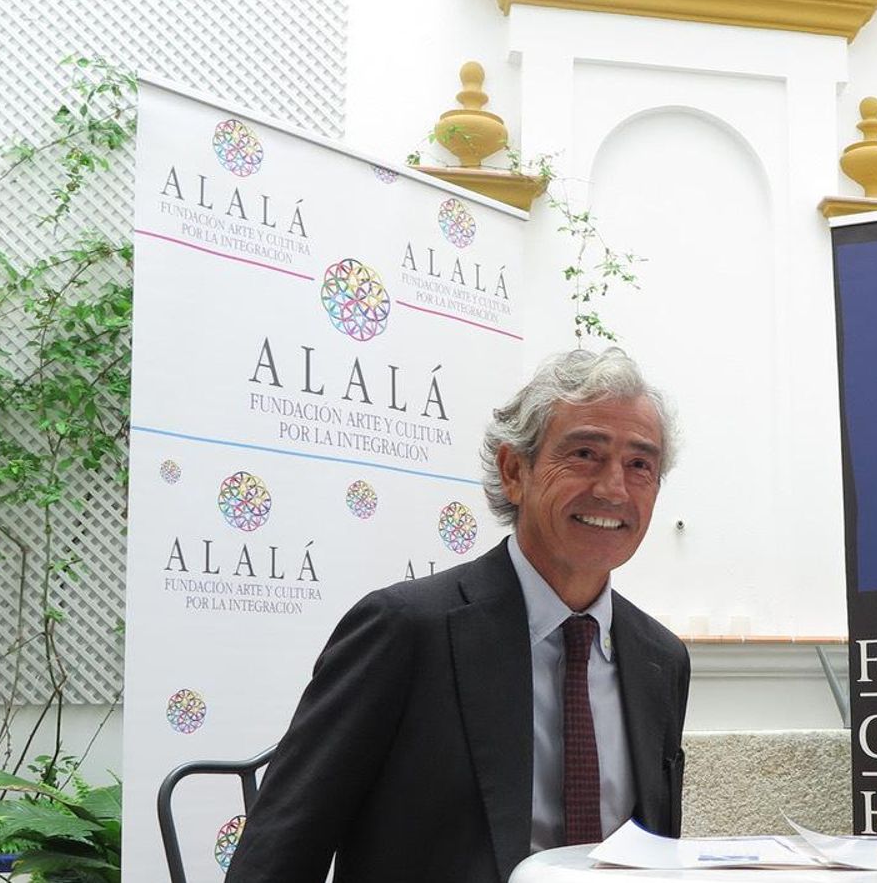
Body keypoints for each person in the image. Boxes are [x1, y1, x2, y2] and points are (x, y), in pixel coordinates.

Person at [226, 347, 691, 883]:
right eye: (585, 453)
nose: (613, 488)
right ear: (514, 470)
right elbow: (278, 856)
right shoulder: (403, 631)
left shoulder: (661, 659)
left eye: (640, 465)